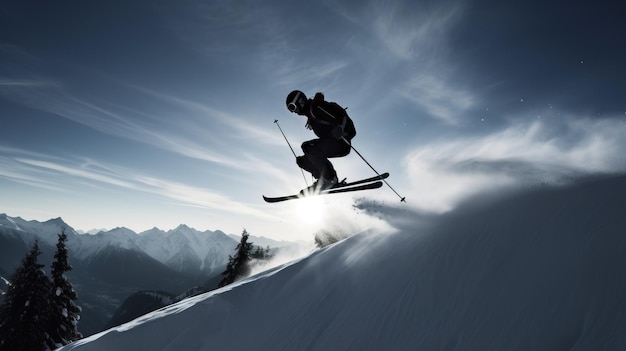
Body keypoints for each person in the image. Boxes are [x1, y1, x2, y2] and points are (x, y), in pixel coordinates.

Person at [285, 90, 356, 192]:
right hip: (332, 143)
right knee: (302, 161)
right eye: (290, 110)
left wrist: (341, 128)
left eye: (292, 107)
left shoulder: (317, 107)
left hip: (341, 142)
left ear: (300, 101)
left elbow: (341, 115)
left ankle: (330, 179)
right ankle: (322, 180)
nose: (294, 112)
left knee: (308, 147)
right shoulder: (311, 114)